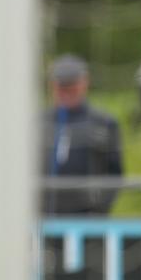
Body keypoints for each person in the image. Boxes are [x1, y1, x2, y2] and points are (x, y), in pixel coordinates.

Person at [43, 54, 122, 214]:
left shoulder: (104, 122)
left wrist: (100, 209)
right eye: (61, 85)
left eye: (71, 85)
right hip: (44, 217)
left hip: (88, 219)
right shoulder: (38, 123)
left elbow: (115, 173)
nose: (66, 91)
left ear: (85, 82)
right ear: (52, 86)